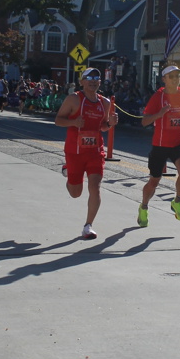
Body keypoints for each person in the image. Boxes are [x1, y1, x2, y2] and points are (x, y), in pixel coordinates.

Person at [54, 68, 117, 240]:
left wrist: (110, 124)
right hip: (75, 152)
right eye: (89, 78)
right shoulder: (74, 99)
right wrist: (74, 122)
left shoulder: (105, 103)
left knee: (95, 187)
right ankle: (68, 171)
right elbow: (58, 120)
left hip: (95, 152)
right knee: (75, 193)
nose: (93, 80)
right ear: (82, 82)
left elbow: (102, 126)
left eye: (97, 77)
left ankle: (88, 226)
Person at [137, 64, 180, 226]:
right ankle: (144, 207)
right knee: (154, 181)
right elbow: (144, 122)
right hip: (160, 146)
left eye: (178, 75)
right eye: (171, 76)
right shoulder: (158, 97)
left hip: (178, 143)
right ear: (164, 79)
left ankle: (177, 201)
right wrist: (159, 114)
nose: (175, 79)